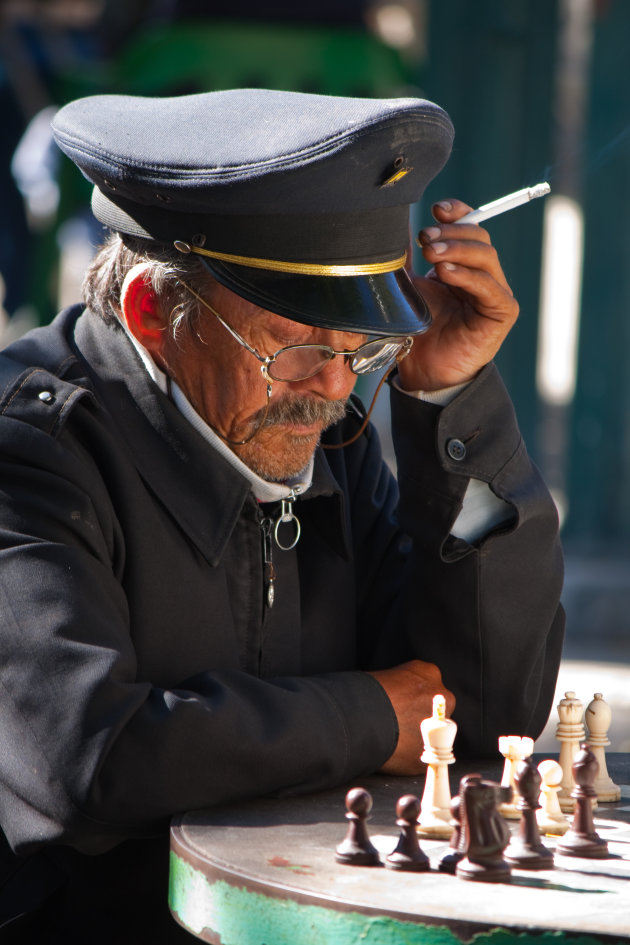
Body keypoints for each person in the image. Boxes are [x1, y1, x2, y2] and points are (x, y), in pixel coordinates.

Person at [0, 88, 564, 942]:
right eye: (297, 348)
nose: (336, 389)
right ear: (155, 313)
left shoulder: (326, 437)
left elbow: (475, 715)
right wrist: (368, 716)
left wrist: (450, 402)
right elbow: (89, 755)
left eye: (359, 349)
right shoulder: (32, 449)